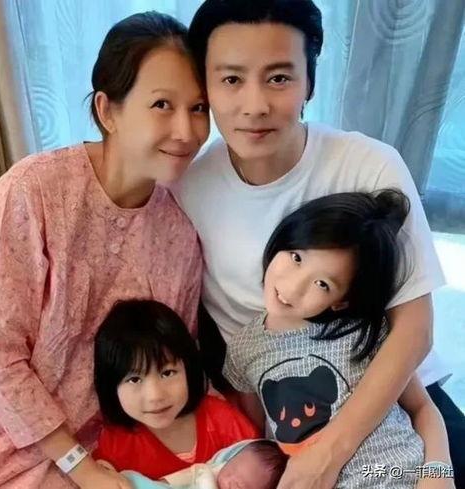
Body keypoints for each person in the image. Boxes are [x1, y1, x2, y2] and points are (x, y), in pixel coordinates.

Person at [173, 0, 465, 485]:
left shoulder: (369, 164)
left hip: (395, 395)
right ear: (204, 86)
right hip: (283, 415)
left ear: (310, 82)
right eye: (231, 79)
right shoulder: (186, 190)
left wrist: (331, 452)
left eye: (278, 78)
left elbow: (414, 330)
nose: (255, 105)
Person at [0, 12, 209, 488]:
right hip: (1, 442)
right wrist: (80, 466)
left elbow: (174, 361)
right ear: (107, 111)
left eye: (198, 108)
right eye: (162, 104)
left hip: (115, 455)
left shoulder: (180, 233)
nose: (186, 130)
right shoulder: (33, 191)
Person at [224, 190, 454, 488]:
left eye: (322, 284)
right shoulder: (244, 349)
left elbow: (423, 409)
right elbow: (258, 440)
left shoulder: (364, 333)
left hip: (400, 475)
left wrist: (438, 476)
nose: (293, 287)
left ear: (341, 301)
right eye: (296, 257)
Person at [93, 299, 260, 480]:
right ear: (110, 385)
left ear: (189, 368)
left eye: (167, 373)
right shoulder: (115, 447)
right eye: (134, 379)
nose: (155, 396)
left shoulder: (224, 423)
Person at [122, 439, 288, 489]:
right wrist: (165, 482)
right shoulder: (208, 471)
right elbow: (187, 475)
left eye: (241, 487)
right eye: (231, 470)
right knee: (131, 480)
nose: (229, 482)